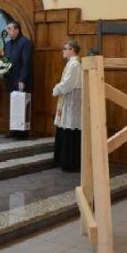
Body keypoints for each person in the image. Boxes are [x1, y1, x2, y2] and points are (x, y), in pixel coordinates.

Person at [52, 40, 82, 172]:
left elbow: (68, 83)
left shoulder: (75, 65)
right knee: (65, 127)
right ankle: (62, 160)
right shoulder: (71, 63)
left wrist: (56, 89)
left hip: (72, 102)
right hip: (68, 100)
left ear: (72, 50)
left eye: (65, 48)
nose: (63, 51)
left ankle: (70, 163)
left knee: (70, 129)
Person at [4, 21, 33, 138]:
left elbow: (26, 62)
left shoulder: (25, 42)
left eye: (9, 29)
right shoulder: (7, 44)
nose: (7, 31)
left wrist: (22, 79)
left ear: (17, 30)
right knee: (13, 105)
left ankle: (22, 132)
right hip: (10, 78)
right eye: (7, 29)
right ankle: (14, 130)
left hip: (20, 78)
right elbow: (6, 61)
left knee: (21, 106)